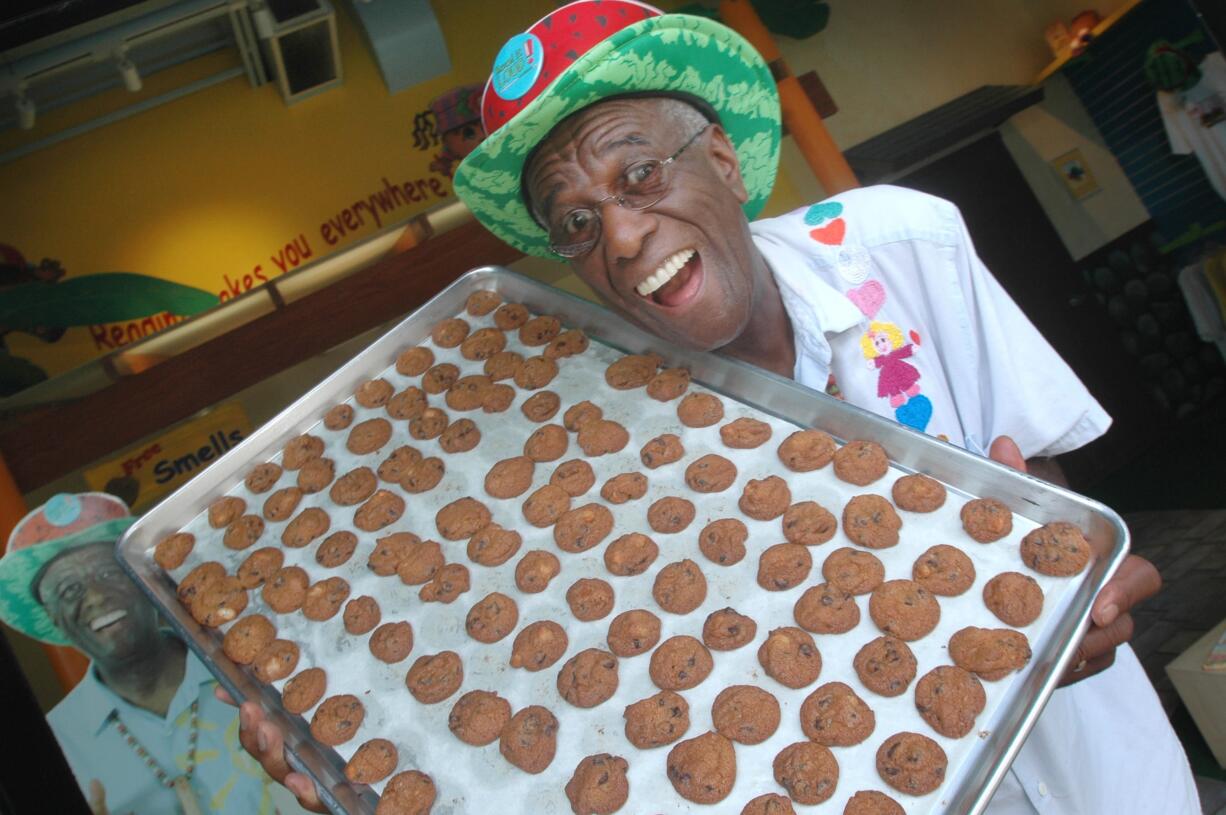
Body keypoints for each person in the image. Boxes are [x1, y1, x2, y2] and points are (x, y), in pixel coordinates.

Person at [239, 1, 1200, 811]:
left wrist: (1085, 587)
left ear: (728, 165)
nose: (618, 235)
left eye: (639, 174)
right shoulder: (598, 433)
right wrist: (349, 724)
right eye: (574, 222)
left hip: (1101, 777)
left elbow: (1046, 483)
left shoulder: (901, 246)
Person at [0, 492, 306, 815]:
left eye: (107, 574)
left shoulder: (258, 668)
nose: (94, 598)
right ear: (54, 620)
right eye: (68, 590)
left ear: (145, 580)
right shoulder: (47, 748)